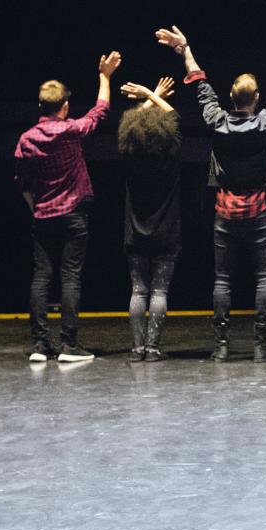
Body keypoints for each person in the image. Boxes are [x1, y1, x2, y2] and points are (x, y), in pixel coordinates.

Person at [156, 20, 266, 363]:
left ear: (231, 97)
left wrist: (185, 50)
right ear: (257, 98)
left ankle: (223, 346)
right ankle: (262, 347)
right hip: (257, 211)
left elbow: (200, 85)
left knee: (223, 280)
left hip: (226, 212)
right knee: (263, 279)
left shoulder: (217, 121)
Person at [14, 50, 122, 362]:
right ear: (64, 107)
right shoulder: (70, 131)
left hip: (44, 215)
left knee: (41, 277)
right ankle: (68, 345)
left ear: (40, 107)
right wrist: (104, 77)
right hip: (73, 214)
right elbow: (99, 112)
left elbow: (22, 182)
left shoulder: (26, 140)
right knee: (71, 277)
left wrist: (36, 207)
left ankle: (39, 346)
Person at [117, 76, 181, 363]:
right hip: (167, 233)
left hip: (135, 233)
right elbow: (173, 117)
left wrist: (147, 96)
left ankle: (136, 348)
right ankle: (153, 348)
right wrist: (151, 94)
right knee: (159, 290)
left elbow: (129, 128)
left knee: (138, 290)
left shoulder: (130, 153)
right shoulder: (171, 151)